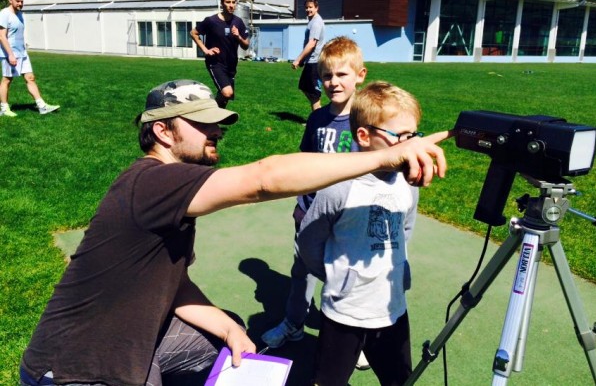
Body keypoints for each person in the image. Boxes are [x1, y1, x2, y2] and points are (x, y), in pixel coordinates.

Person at [19, 79, 449, 385]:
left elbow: (174, 285)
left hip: (134, 336)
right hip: (77, 364)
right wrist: (382, 158)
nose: (217, 130)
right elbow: (264, 179)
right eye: (202, 123)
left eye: (218, 122)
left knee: (228, 335)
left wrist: (227, 329)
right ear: (162, 132)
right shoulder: (152, 181)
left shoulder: (170, 190)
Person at [297, 81, 426, 386]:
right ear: (364, 136)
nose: (410, 145)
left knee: (399, 379)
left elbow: (405, 229)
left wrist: (396, 269)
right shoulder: (339, 186)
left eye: (414, 135)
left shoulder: (408, 184)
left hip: (392, 308)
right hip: (345, 311)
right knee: (328, 379)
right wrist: (336, 276)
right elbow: (309, 239)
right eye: (400, 137)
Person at [261, 36, 366, 350]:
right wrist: (300, 204)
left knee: (346, 279)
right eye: (327, 76)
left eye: (342, 74)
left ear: (360, 75)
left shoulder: (370, 120)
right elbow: (305, 162)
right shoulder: (317, 118)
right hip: (311, 213)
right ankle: (294, 323)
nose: (333, 82)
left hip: (349, 217)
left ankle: (350, 340)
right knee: (302, 271)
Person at [0, 0, 59, 117]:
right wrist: (10, 54)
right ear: (10, 0)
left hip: (22, 52)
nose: (20, 4)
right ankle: (4, 109)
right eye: (17, 1)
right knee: (7, 80)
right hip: (9, 54)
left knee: (30, 78)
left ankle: (42, 106)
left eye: (21, 1)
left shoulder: (20, 14)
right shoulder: (4, 14)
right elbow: (2, 36)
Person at [190, 0, 249, 108]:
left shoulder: (238, 22)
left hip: (231, 65)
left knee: (225, 98)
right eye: (228, 2)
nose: (231, 5)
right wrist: (205, 50)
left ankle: (213, 119)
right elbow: (193, 33)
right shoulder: (211, 21)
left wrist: (238, 36)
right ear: (222, 3)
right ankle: (209, 112)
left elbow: (246, 45)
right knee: (227, 92)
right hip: (216, 62)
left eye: (233, 2)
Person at [292, 0, 325, 111]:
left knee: (313, 93)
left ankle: (318, 119)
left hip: (314, 62)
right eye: (306, 7)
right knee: (305, 87)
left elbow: (311, 44)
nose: (308, 9)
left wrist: (298, 59)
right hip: (310, 61)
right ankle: (316, 116)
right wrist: (303, 60)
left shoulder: (316, 23)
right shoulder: (312, 21)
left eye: (310, 7)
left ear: (316, 8)